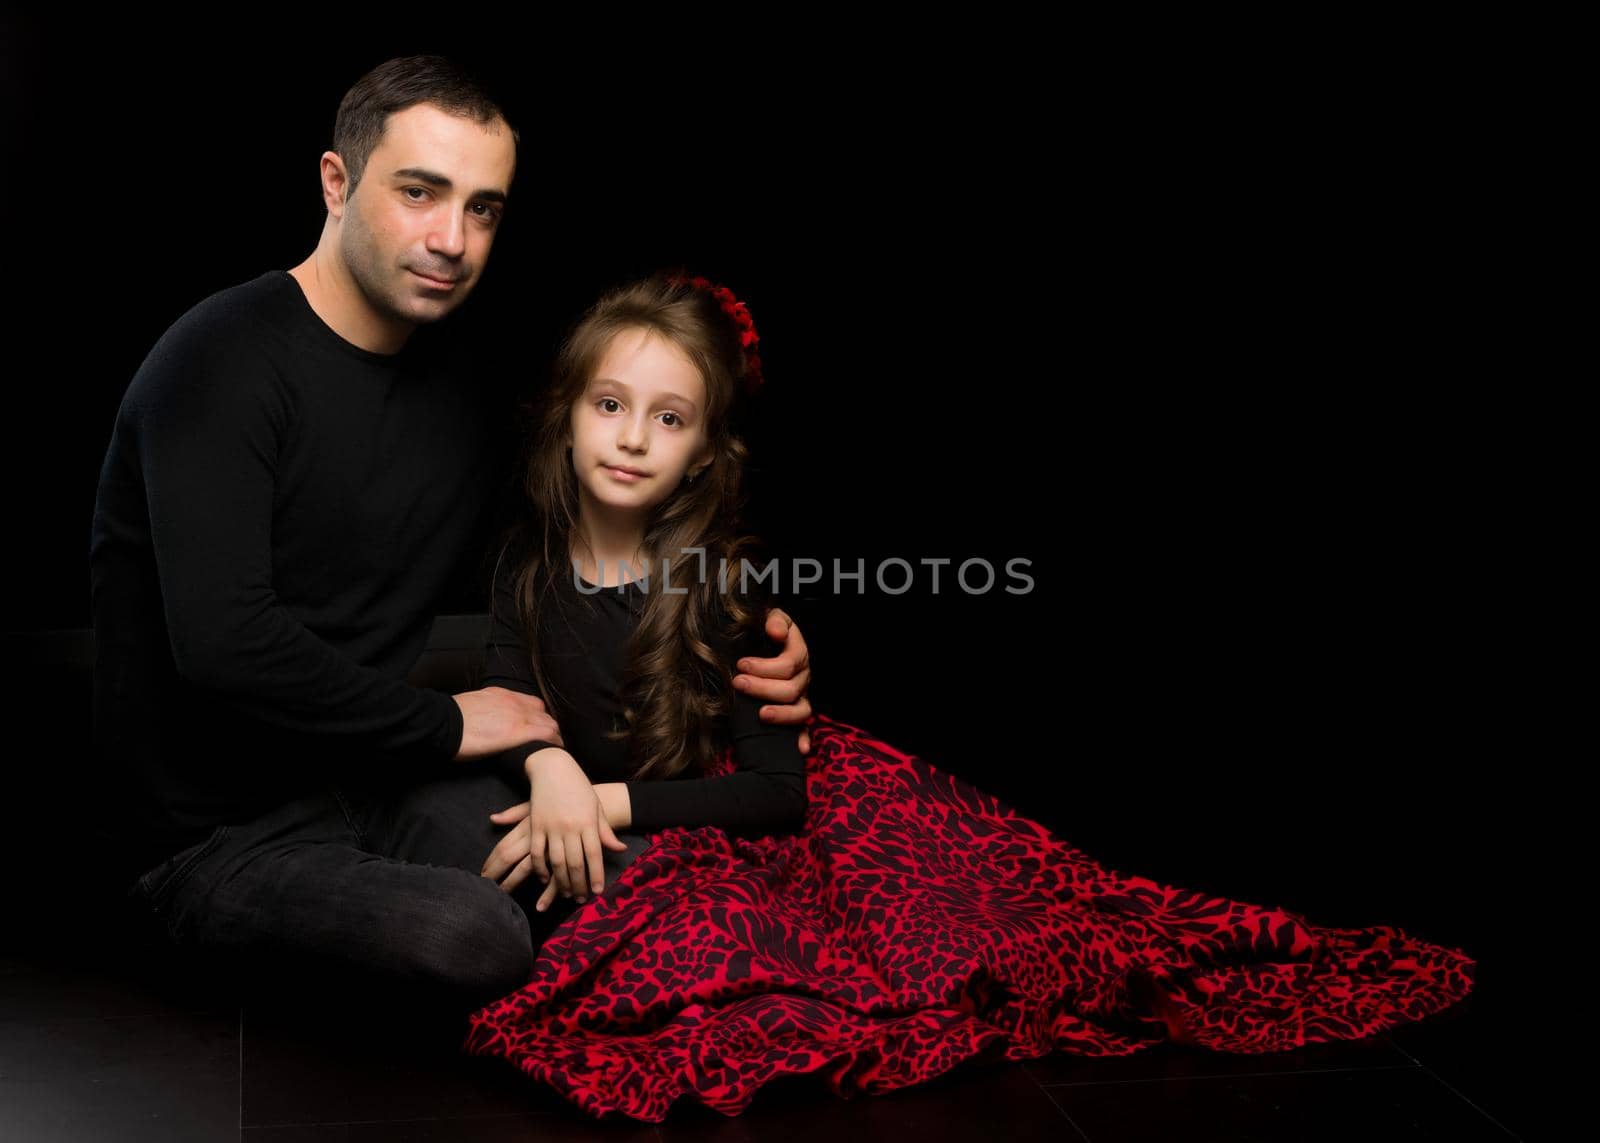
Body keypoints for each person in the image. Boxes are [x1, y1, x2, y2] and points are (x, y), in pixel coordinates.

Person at [458, 272, 1479, 1123]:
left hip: (776, 819)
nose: (632, 438)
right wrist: (556, 773)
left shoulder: (715, 588)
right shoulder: (522, 566)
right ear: (565, 415)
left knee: (990, 941)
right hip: (636, 823)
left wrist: (607, 803)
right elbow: (510, 700)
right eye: (609, 404)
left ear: (701, 452)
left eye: (667, 417)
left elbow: (776, 794)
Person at [87, 55, 813, 1009]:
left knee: (633, 890)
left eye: (483, 209)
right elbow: (225, 646)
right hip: (215, 832)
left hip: (381, 779)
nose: (452, 239)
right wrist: (450, 721)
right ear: (336, 183)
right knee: (472, 937)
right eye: (420, 192)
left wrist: (757, 636)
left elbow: (597, 515)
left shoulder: (460, 383)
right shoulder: (218, 361)